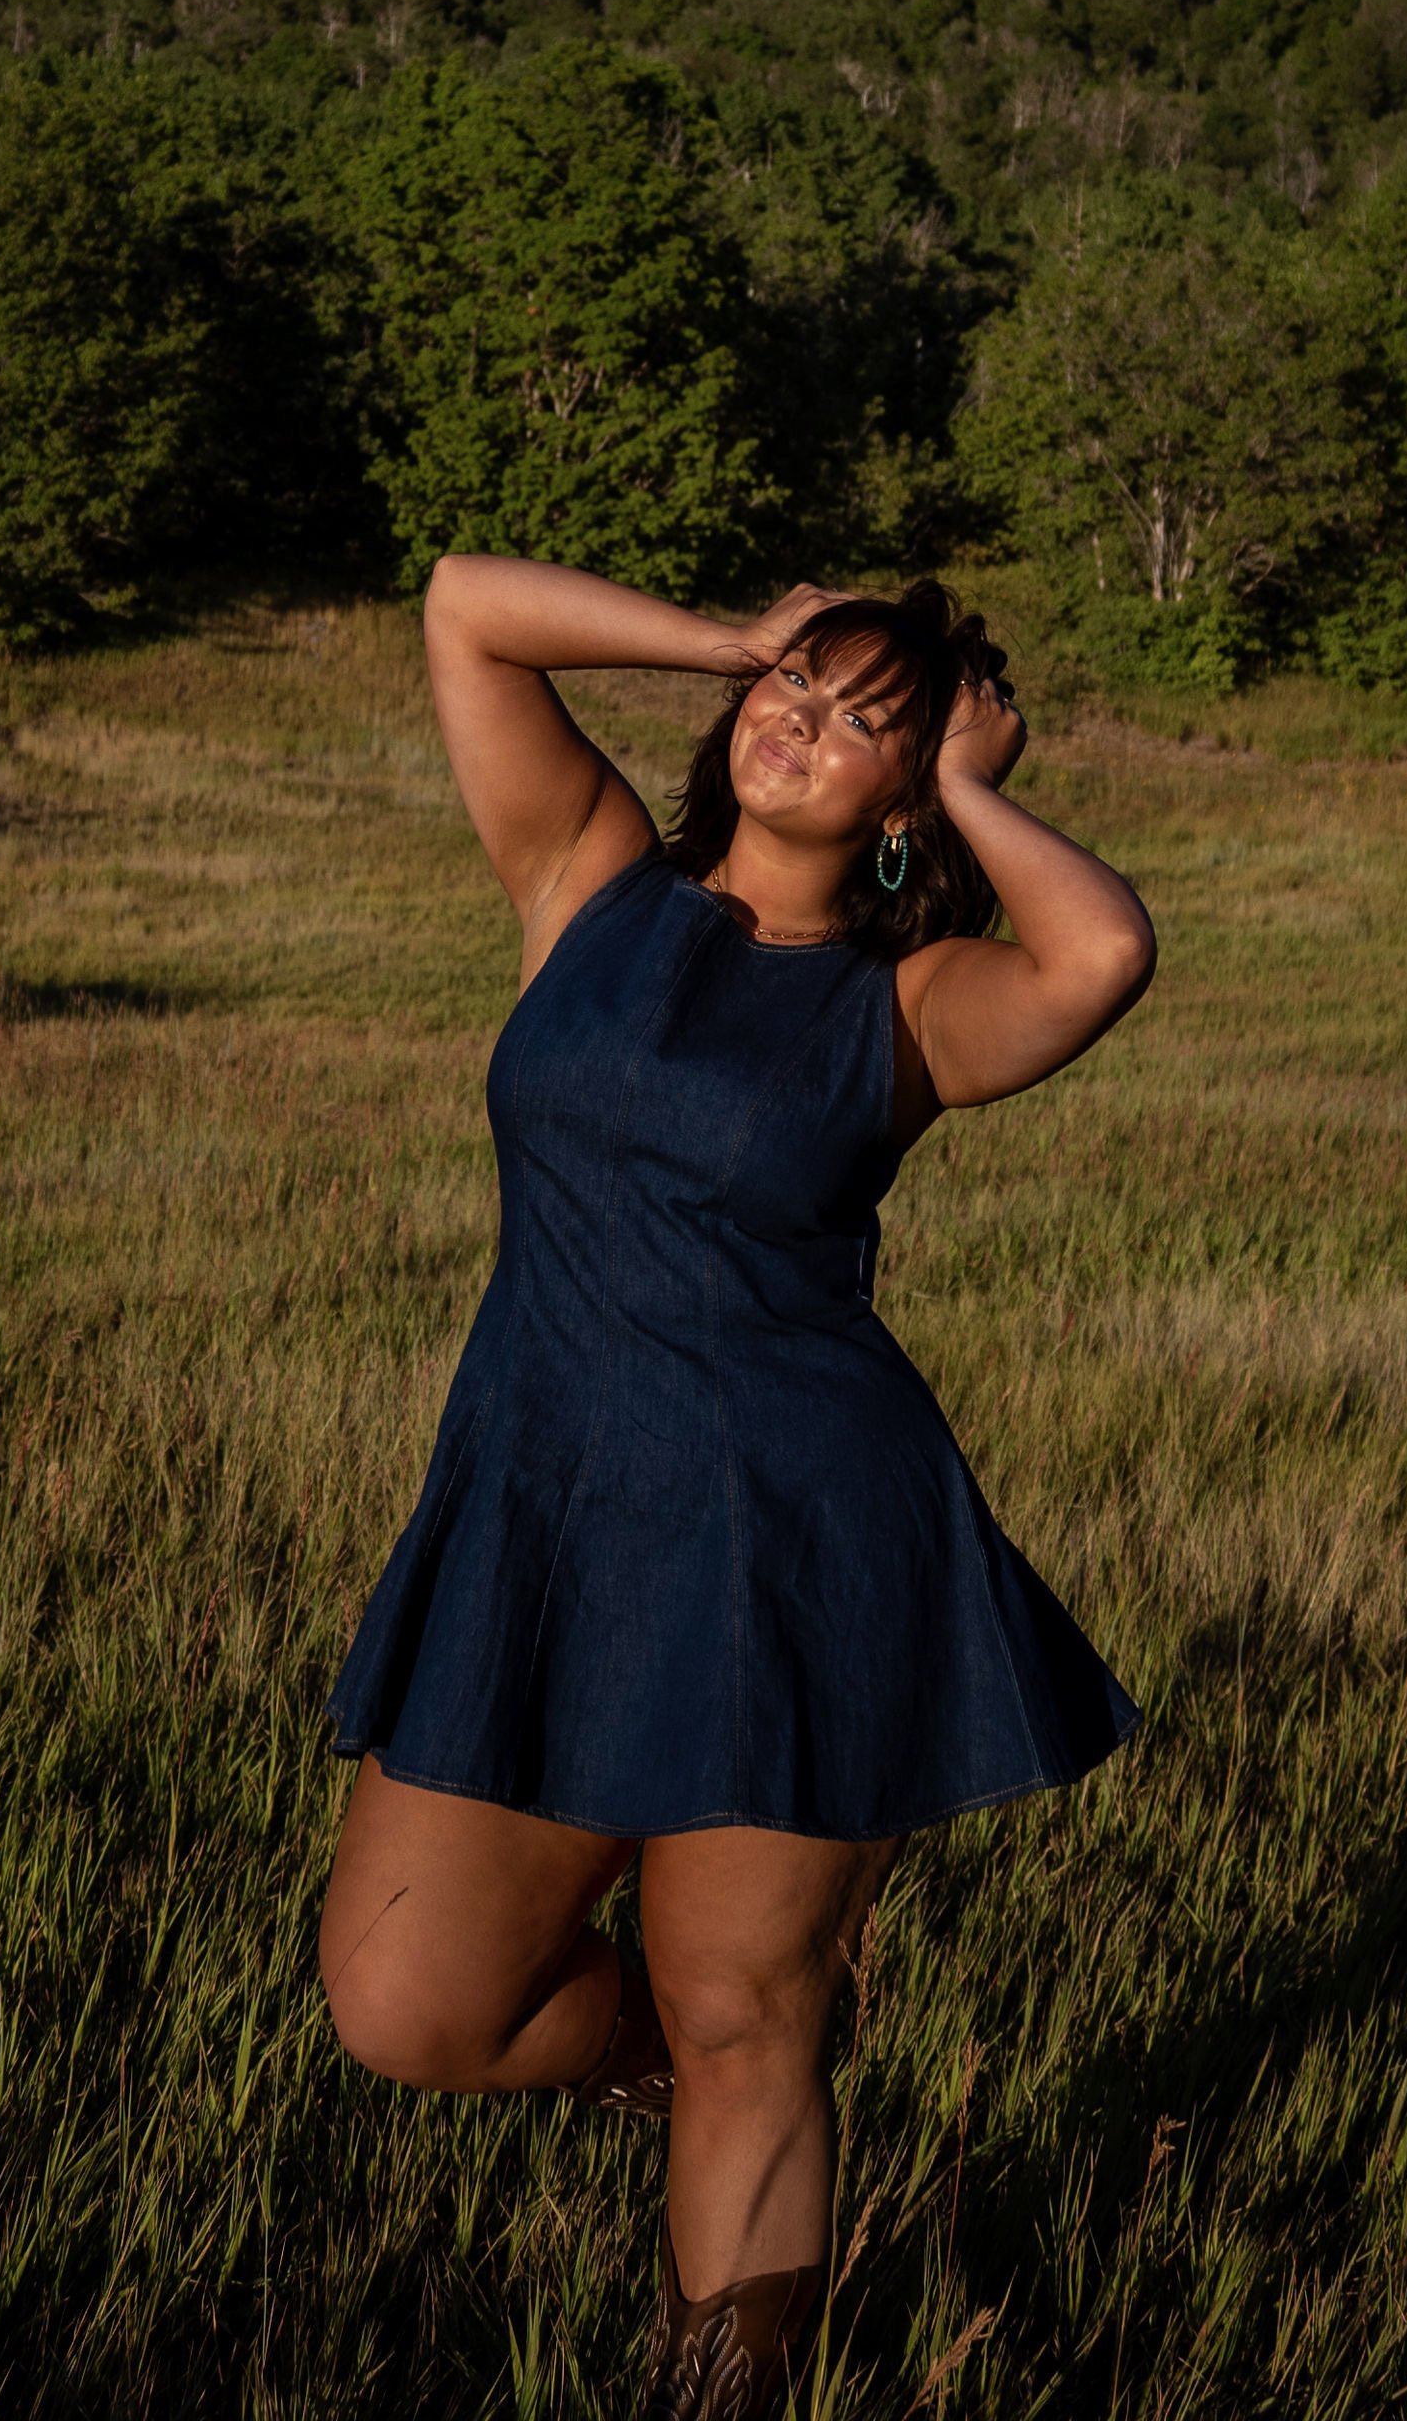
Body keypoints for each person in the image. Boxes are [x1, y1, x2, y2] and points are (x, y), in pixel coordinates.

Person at [318, 556, 1156, 2417]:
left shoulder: (911, 1001)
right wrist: (735, 635)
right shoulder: (588, 881)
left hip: (798, 1538)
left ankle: (725, 2384)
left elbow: (1100, 956)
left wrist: (974, 786)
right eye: (796, 688)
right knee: (410, 2003)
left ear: (903, 796)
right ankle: (665, 2072)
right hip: (541, 1516)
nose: (807, 724)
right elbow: (466, 603)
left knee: (746, 2013)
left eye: (871, 723)